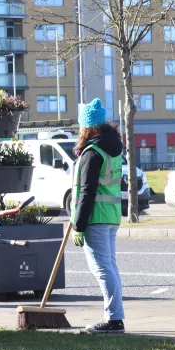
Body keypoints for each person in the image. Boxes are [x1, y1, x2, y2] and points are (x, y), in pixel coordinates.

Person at [71, 98, 126, 334]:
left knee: (102, 268)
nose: (80, 131)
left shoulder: (92, 153)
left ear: (89, 127)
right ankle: (115, 317)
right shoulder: (112, 149)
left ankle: (114, 320)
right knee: (110, 267)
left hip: (95, 218)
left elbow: (87, 191)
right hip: (111, 215)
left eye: (82, 126)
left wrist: (78, 225)